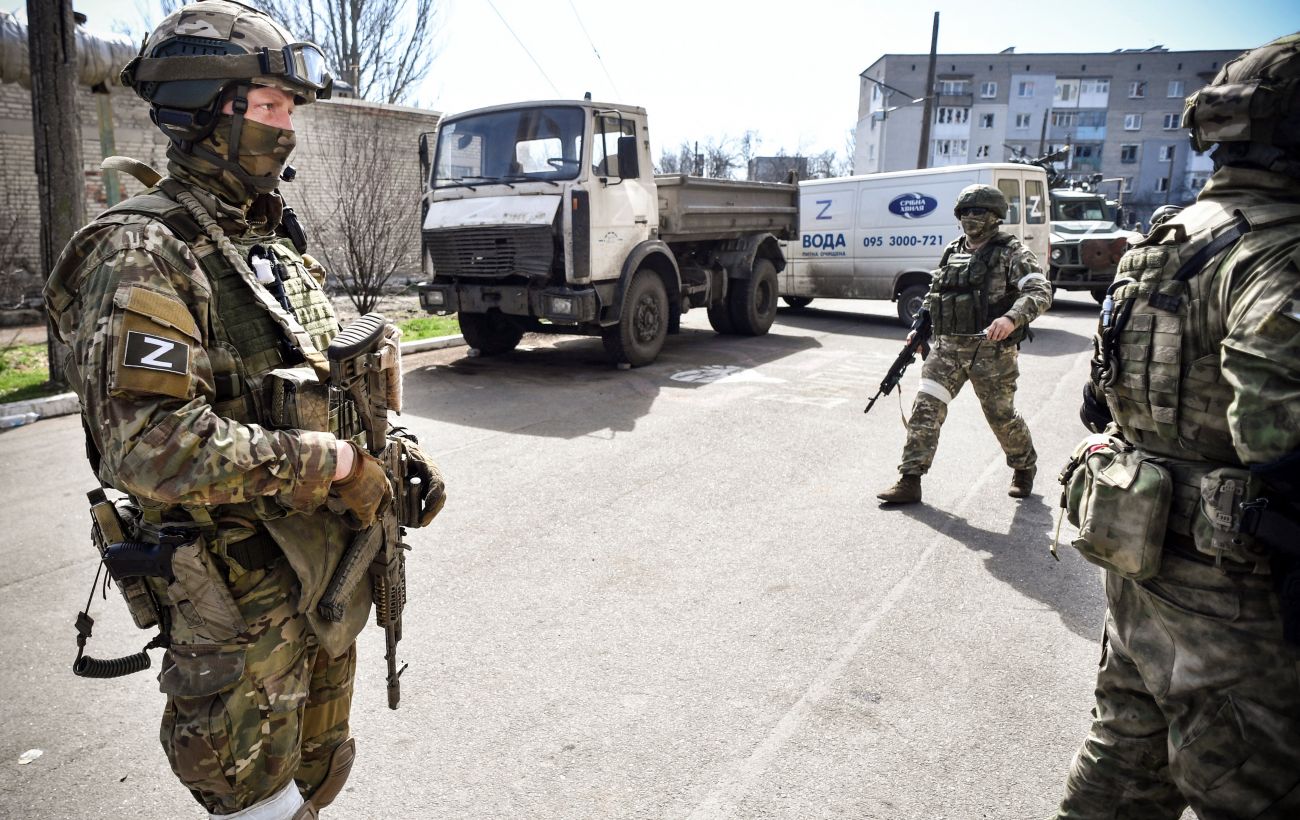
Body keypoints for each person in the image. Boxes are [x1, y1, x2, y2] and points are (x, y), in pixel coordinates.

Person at [43, 2, 444, 818]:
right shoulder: (143, 251)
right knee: (249, 796)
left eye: (290, 109)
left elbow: (331, 381)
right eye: (268, 106)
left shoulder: (271, 242)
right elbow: (150, 446)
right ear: (205, 109)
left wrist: (391, 450)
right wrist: (333, 465)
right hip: (235, 601)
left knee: (318, 776)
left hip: (320, 578)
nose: (286, 127)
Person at [1055, 32, 1300, 817]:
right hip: (1236, 591)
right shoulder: (1279, 251)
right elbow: (1278, 437)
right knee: (1252, 789)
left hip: (1143, 551)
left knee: (1125, 753)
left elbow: (1104, 399)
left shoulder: (1168, 235)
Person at [876, 184, 1052, 505]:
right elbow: (936, 295)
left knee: (1001, 416)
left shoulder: (1012, 252)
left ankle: (1024, 465)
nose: (971, 218)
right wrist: (920, 330)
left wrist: (1011, 318)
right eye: (965, 212)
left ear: (995, 217)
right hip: (946, 349)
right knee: (926, 408)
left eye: (978, 212)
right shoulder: (953, 250)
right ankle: (910, 479)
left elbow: (1039, 292)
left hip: (991, 351)